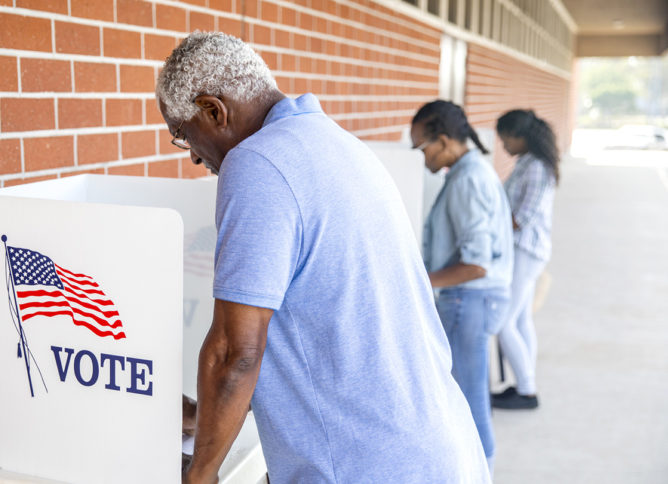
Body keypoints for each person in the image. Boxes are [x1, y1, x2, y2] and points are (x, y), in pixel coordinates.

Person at [157, 32, 490, 483]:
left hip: (367, 467)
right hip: (437, 448)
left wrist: (201, 473)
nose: (195, 157)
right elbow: (330, 326)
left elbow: (235, 351)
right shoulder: (339, 145)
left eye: (183, 136)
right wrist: (207, 416)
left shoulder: (257, 163)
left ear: (214, 110)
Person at [411, 100, 513, 471]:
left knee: (468, 397)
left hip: (469, 301)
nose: (421, 159)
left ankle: (480, 470)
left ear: (443, 141)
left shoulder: (468, 180)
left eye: (422, 148)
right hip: (475, 301)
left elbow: (476, 265)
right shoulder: (471, 171)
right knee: (469, 392)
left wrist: (421, 282)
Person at [491, 109, 559, 410]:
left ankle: (527, 390)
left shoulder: (536, 168)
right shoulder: (530, 163)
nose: (503, 145)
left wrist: (488, 226)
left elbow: (522, 218)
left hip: (525, 250)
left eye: (505, 138)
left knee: (502, 322)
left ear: (521, 136)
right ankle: (523, 383)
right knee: (520, 319)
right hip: (527, 250)